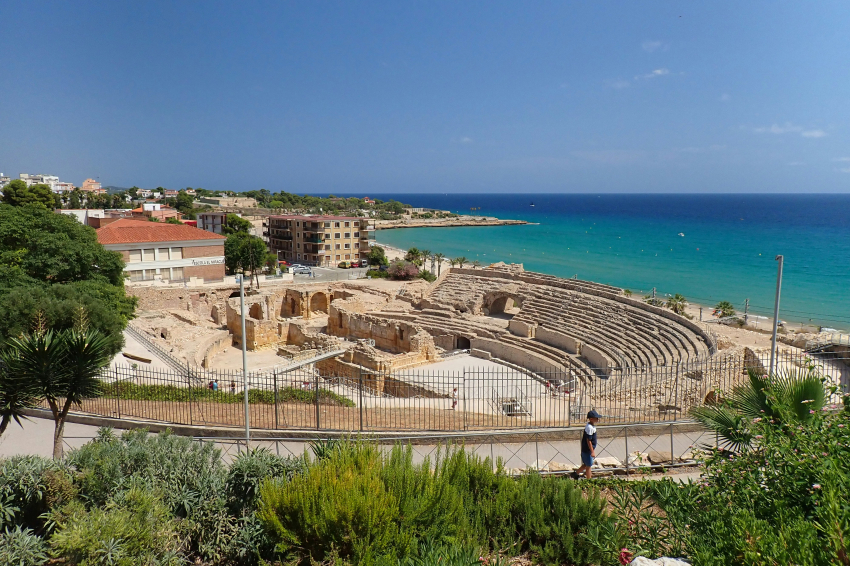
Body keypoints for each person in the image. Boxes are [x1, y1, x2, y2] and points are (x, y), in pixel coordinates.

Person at [574, 410, 600, 479]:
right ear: (591, 419)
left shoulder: (591, 426)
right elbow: (589, 441)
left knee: (586, 464)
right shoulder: (589, 428)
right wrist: (592, 451)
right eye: (596, 418)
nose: (597, 419)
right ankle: (589, 480)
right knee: (589, 465)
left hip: (588, 450)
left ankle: (575, 474)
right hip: (587, 450)